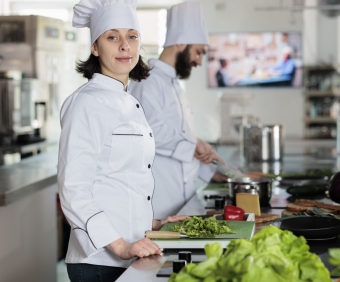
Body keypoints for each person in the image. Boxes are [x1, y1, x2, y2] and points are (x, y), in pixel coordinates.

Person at [57, 1, 186, 281]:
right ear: (95, 47)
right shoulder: (85, 103)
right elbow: (74, 189)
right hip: (99, 261)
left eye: (132, 36)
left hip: (133, 252)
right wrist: (121, 245)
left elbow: (119, 183)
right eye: (112, 37)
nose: (125, 46)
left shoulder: (129, 102)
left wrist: (155, 224)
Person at [130, 2, 228, 220]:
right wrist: (196, 145)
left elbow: (179, 140)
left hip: (181, 200)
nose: (200, 61)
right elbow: (151, 131)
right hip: (161, 201)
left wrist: (210, 173)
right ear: (181, 42)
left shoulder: (173, 84)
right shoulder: (149, 81)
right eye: (198, 52)